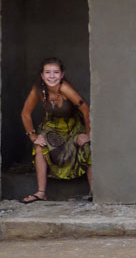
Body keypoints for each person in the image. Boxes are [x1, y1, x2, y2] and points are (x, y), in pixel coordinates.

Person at [19, 57, 92, 203]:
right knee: (40, 146)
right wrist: (32, 136)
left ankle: (94, 191)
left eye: (56, 72)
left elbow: (85, 110)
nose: (51, 76)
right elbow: (25, 113)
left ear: (62, 74)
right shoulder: (38, 90)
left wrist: (89, 134)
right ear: (42, 75)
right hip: (52, 126)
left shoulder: (64, 88)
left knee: (86, 147)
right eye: (47, 72)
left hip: (72, 126)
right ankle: (41, 192)